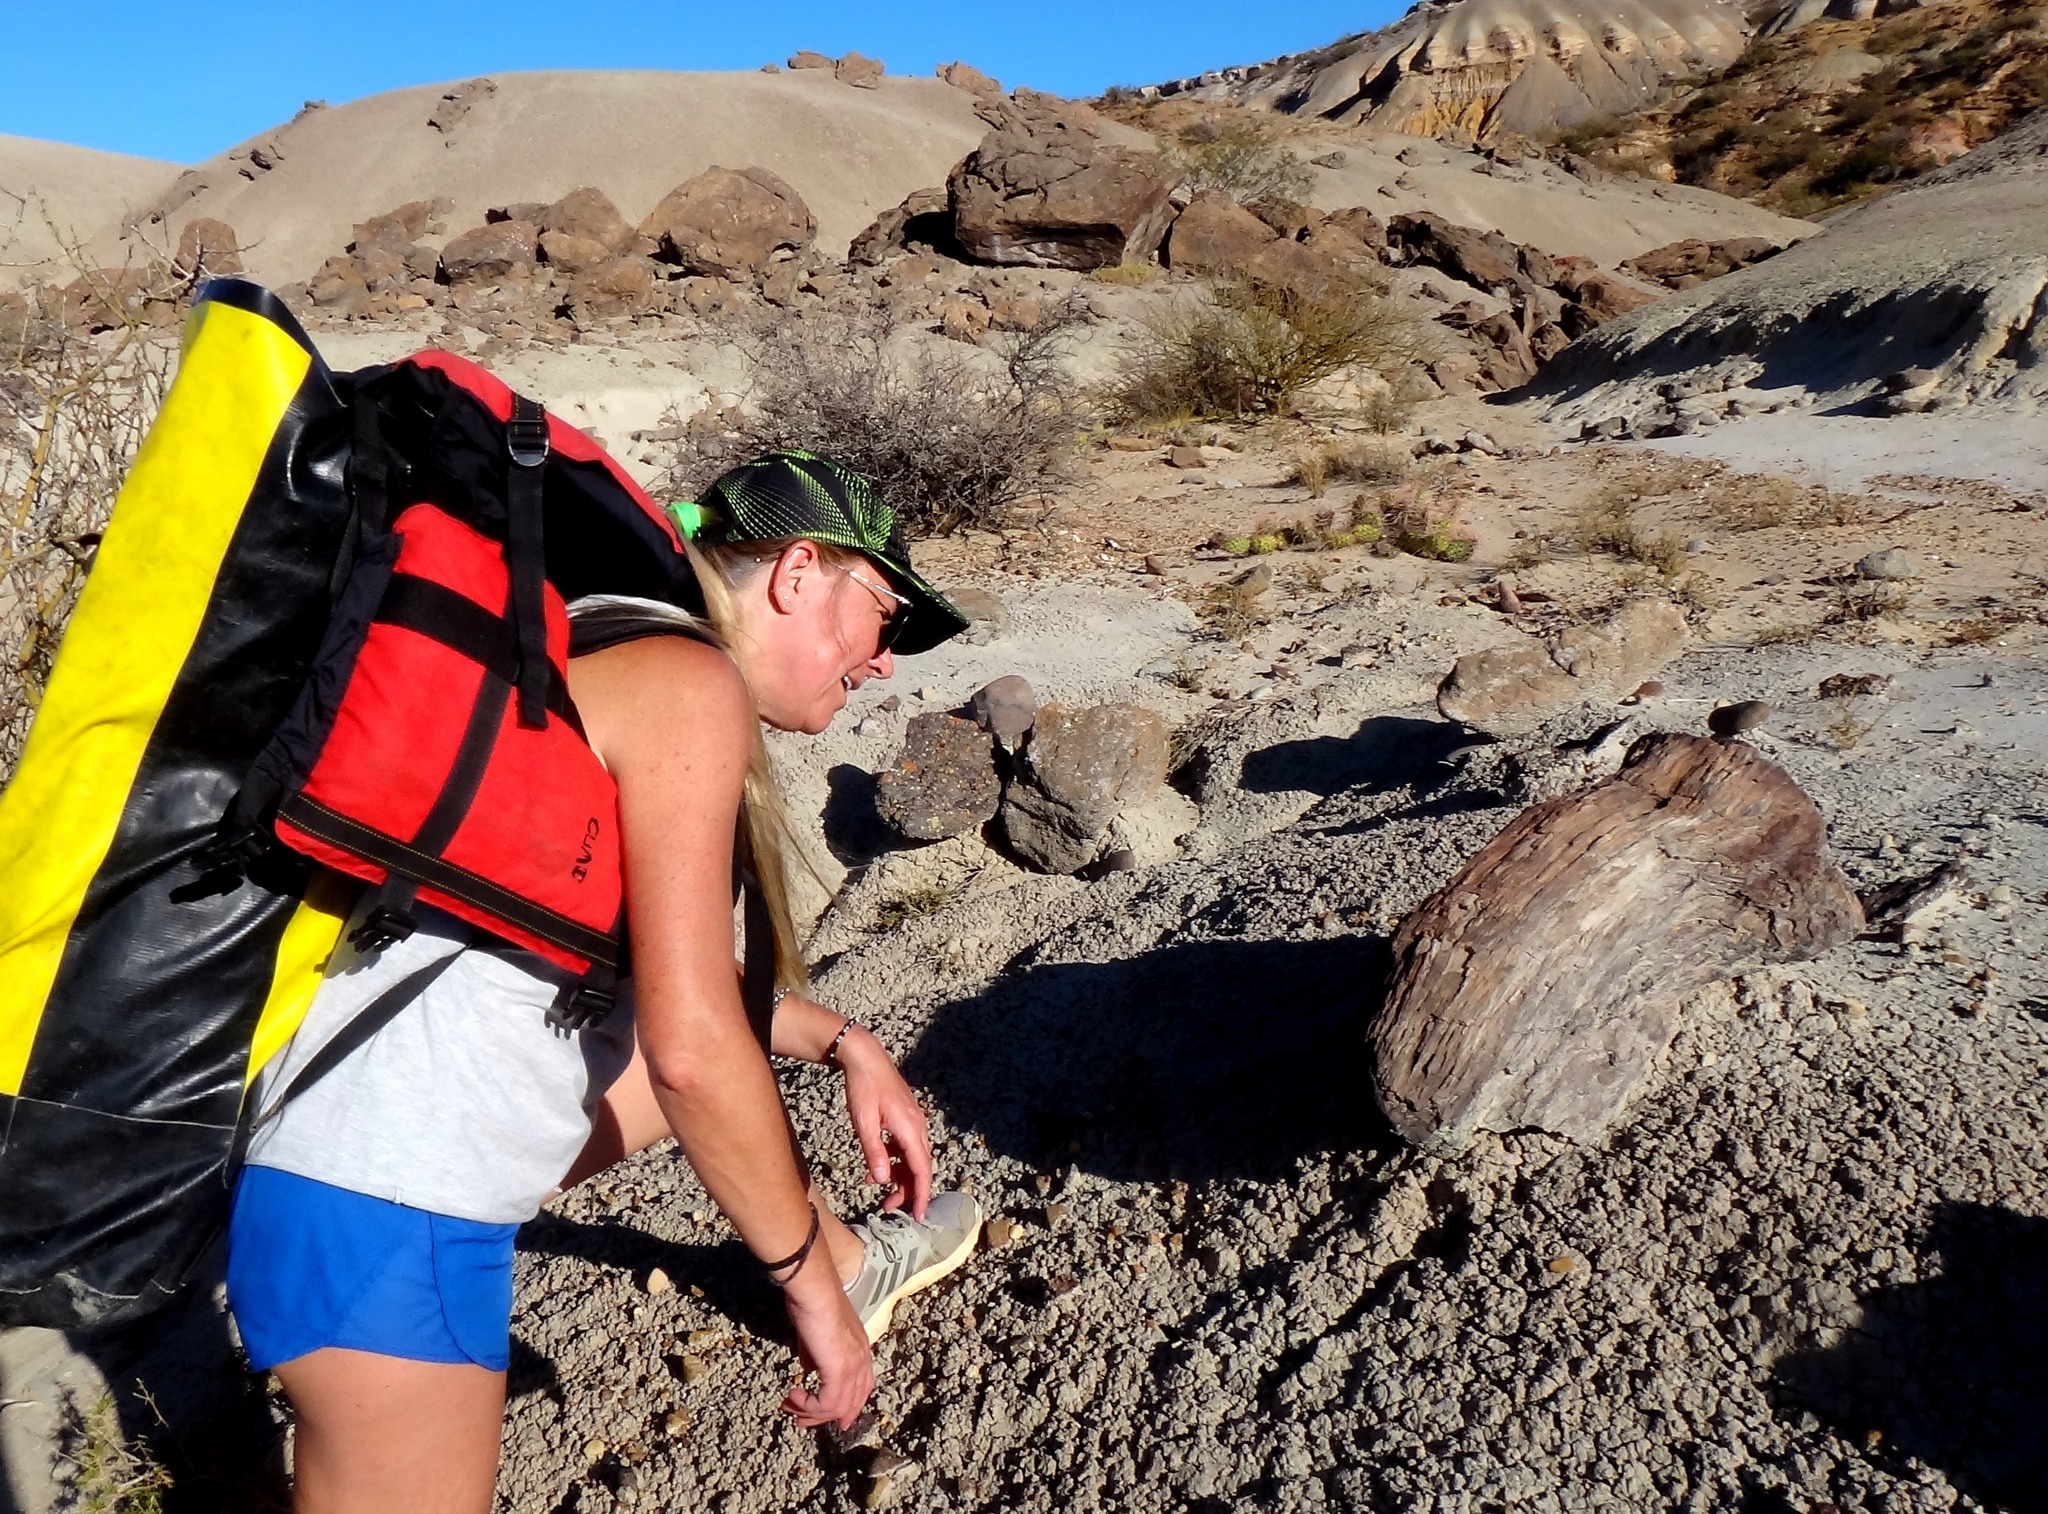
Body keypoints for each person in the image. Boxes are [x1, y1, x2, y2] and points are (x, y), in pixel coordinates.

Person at [224, 451, 981, 1513]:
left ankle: (856, 1260)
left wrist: (841, 1039)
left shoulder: (592, 641)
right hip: (388, 1212)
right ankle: (839, 1274)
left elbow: (639, 970)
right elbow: (691, 1049)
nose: (887, 660)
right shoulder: (686, 684)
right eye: (885, 613)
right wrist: (809, 1297)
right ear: (799, 568)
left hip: (323, 1161)